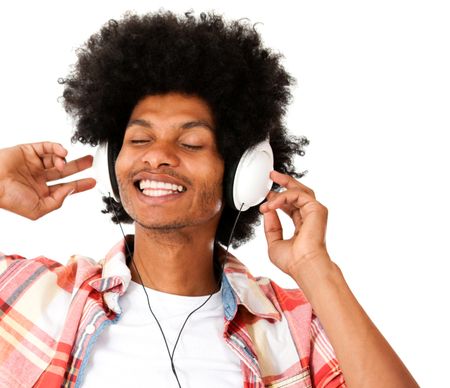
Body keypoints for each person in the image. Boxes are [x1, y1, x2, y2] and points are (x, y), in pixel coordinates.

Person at [0, 11, 418, 388]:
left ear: (242, 174)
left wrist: (316, 269)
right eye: (140, 138)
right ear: (113, 164)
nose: (158, 156)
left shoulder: (294, 328)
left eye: (191, 143)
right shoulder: (26, 291)